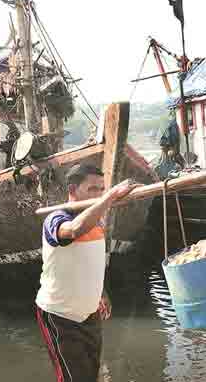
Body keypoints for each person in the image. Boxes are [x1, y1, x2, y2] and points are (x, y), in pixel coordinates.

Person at [35, 164, 138, 382]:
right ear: (73, 190)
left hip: (89, 315)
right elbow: (73, 231)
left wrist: (101, 292)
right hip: (60, 315)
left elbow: (91, 261)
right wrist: (109, 198)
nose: (99, 194)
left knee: (91, 374)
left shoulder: (96, 221)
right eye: (93, 189)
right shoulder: (56, 218)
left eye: (102, 189)